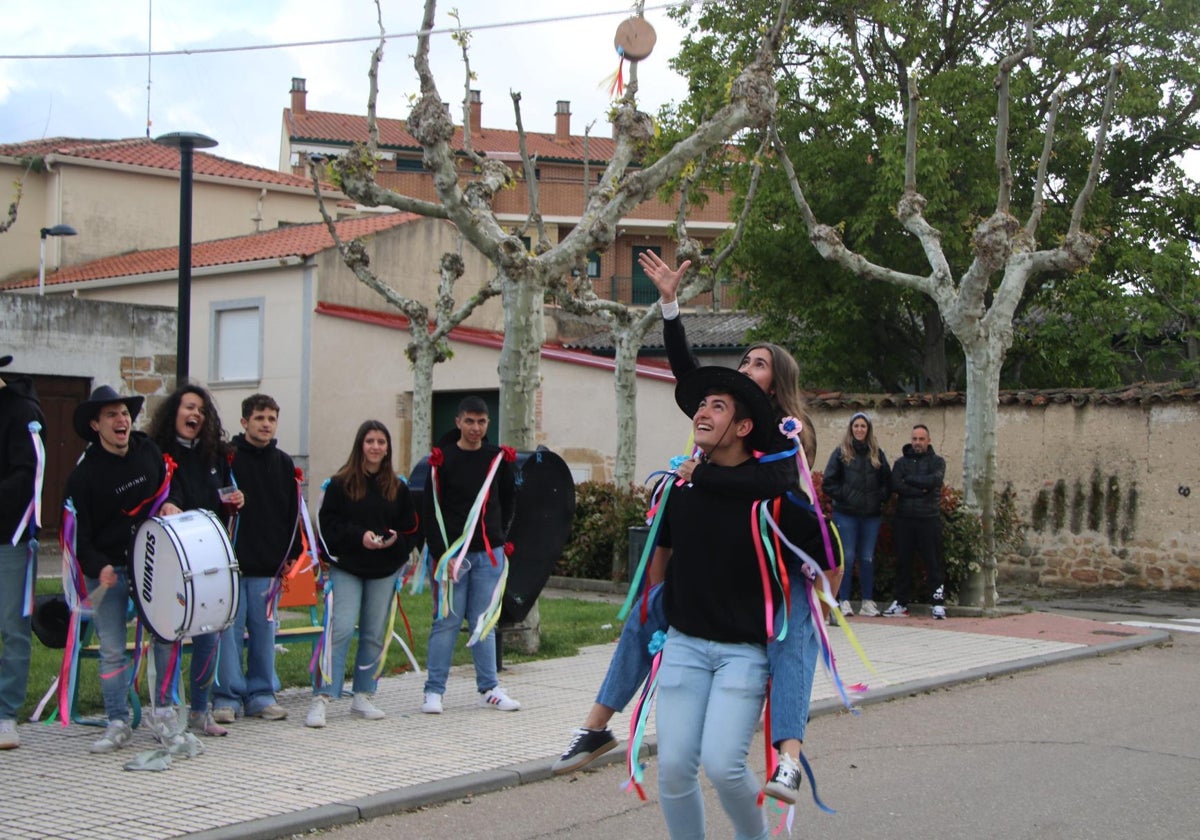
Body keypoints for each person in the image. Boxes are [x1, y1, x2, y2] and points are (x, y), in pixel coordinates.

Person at [554, 252, 830, 805]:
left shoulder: (784, 433)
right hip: (715, 558)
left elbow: (772, 489)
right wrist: (670, 306)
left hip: (782, 563)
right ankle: (596, 725)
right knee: (647, 613)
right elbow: (688, 371)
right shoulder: (719, 429)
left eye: (756, 363)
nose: (744, 367)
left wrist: (699, 476)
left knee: (791, 645)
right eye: (745, 361)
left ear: (774, 386)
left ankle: (790, 760)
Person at [654, 366, 834, 839]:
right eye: (700, 404)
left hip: (743, 653)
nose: (702, 411)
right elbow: (662, 553)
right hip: (684, 646)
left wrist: (817, 601)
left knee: (722, 764)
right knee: (672, 767)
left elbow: (828, 556)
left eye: (717, 406)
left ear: (743, 427)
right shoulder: (681, 488)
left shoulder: (774, 500)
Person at [63, 385, 168, 753]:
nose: (122, 420)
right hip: (107, 570)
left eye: (124, 412)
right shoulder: (83, 477)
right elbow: (80, 539)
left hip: (151, 565)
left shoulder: (147, 451)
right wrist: (100, 567)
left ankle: (166, 716)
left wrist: (174, 505)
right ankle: (117, 721)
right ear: (96, 424)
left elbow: (171, 489)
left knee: (165, 637)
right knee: (111, 649)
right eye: (111, 415)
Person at [145, 384, 245, 737]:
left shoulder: (215, 458)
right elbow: (154, 497)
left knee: (209, 634)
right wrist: (166, 504)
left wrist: (233, 502)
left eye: (202, 410)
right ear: (174, 412)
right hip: (170, 561)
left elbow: (219, 501)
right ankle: (166, 711)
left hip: (207, 558)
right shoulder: (154, 453)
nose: (196, 415)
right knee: (168, 636)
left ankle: (200, 710)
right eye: (189, 407)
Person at [306, 420, 418, 728]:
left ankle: (364, 694)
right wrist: (360, 537)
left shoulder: (398, 487)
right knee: (340, 628)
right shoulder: (340, 484)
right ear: (360, 445)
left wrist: (396, 543)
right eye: (370, 441)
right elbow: (328, 528)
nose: (376, 447)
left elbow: (411, 528)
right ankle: (322, 696)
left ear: (388, 448)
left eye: (381, 442)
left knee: (373, 632)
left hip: (383, 570)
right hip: (348, 568)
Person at [419, 396, 520, 715]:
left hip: (489, 554)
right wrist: (441, 555)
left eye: (482, 422)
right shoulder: (443, 460)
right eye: (470, 421)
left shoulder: (498, 459)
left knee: (484, 622)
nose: (476, 428)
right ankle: (434, 691)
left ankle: (489, 688)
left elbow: (508, 500)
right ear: (458, 422)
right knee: (446, 622)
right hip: (453, 557)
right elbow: (430, 511)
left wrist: (499, 537)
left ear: (488, 424)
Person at [213, 394, 300, 724]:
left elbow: (292, 512)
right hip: (231, 563)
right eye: (259, 418)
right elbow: (216, 496)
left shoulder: (283, 463)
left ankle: (262, 693)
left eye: (272, 419)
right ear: (244, 421)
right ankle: (227, 696)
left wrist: (290, 554)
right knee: (229, 633)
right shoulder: (228, 459)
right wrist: (228, 500)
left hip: (268, 565)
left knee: (264, 633)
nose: (266, 424)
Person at [0, 355, 46, 750]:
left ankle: (4, 714)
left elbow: (27, 473)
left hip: (8, 537)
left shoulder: (21, 411)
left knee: (13, 629)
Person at [823, 412, 892, 618]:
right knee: (848, 557)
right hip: (846, 514)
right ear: (851, 429)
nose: (860, 429)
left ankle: (867, 601)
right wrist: (845, 495)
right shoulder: (841, 453)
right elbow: (828, 482)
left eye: (863, 426)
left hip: (871, 515)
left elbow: (887, 481)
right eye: (856, 426)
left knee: (867, 557)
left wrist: (879, 498)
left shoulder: (877, 454)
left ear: (868, 429)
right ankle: (843, 600)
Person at [885, 424, 947, 619]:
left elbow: (934, 481)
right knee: (903, 563)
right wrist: (919, 488)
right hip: (904, 519)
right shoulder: (901, 463)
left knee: (933, 563)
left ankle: (938, 603)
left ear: (928, 441)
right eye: (914, 439)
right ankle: (901, 603)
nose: (917, 443)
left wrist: (909, 480)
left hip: (929, 519)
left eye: (921, 439)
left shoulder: (938, 462)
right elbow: (896, 485)